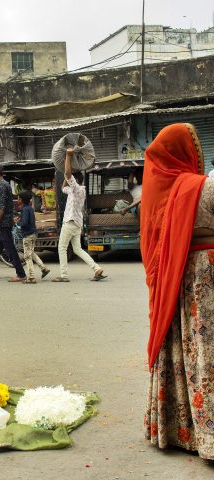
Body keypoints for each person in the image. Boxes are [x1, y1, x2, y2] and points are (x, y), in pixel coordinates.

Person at [143, 123, 214, 460]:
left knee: (181, 347)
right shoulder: (202, 187)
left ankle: (176, 429)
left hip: (176, 281)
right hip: (206, 276)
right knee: (206, 350)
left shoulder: (158, 193)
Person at [53, 148, 105, 282]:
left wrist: (68, 157)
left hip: (70, 222)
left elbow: (68, 174)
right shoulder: (76, 191)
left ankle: (64, 275)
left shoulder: (76, 189)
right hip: (76, 223)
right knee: (77, 249)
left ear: (75, 180)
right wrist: (65, 168)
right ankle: (96, 268)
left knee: (62, 247)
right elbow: (63, 188)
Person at [17, 191, 50, 283]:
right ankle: (44, 268)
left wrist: (17, 222)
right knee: (31, 253)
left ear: (22, 200)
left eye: (19, 198)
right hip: (33, 233)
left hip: (27, 235)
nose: (18, 200)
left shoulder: (24, 210)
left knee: (27, 256)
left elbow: (24, 223)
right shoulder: (30, 208)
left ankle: (31, 277)